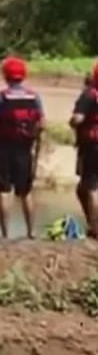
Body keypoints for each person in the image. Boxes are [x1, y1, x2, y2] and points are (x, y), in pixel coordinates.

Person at [0, 56, 45, 239]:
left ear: (6, 76)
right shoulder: (34, 97)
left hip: (3, 147)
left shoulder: (0, 98)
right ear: (23, 76)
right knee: (25, 191)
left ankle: (5, 234)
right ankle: (31, 232)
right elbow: (42, 123)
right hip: (25, 148)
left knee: (4, 191)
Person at [69, 65, 98, 239]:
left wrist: (72, 122)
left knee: (90, 186)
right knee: (83, 188)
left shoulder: (90, 95)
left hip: (92, 144)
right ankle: (92, 223)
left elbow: (78, 119)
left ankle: (95, 229)